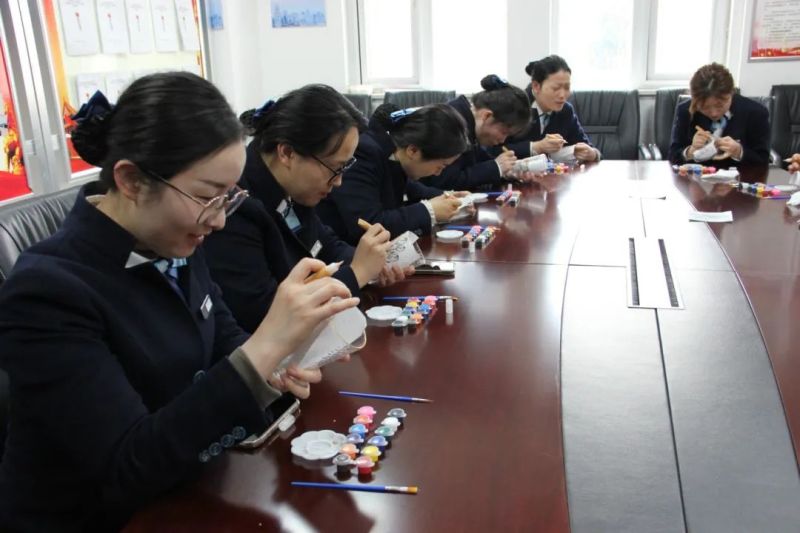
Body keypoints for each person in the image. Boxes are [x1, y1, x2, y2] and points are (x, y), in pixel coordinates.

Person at [0, 74, 358, 531]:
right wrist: (261, 351)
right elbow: (126, 465)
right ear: (131, 180)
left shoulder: (172, 239)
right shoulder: (47, 291)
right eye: (207, 196)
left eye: (228, 197)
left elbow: (223, 338)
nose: (220, 220)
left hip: (188, 487)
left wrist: (281, 362)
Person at [204, 85, 409, 333]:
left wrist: (373, 262)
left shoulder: (291, 187)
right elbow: (263, 314)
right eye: (335, 168)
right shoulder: (236, 208)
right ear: (287, 153)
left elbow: (324, 245)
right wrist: (358, 273)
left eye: (345, 168)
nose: (339, 181)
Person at [317, 103, 471, 245]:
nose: (438, 173)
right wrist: (429, 210)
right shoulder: (365, 152)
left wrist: (447, 197)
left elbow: (408, 186)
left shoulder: (390, 150)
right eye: (441, 166)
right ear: (413, 151)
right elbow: (368, 224)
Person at [419, 74, 531, 191]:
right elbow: (444, 182)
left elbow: (479, 163)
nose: (503, 140)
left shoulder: (469, 123)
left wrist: (507, 171)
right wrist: (496, 167)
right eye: (504, 132)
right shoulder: (449, 124)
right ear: (486, 116)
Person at [498, 55, 600, 162]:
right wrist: (535, 147)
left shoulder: (566, 111)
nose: (562, 95)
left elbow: (587, 146)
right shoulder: (514, 107)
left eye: (567, 88)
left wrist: (592, 154)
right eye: (556, 88)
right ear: (536, 86)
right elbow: (492, 151)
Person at [669, 63, 770, 167]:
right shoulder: (685, 111)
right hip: (697, 175)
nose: (714, 113)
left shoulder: (756, 113)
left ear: (731, 93)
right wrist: (691, 151)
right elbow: (673, 156)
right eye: (705, 107)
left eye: (720, 106)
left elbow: (763, 160)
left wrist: (739, 151)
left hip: (740, 175)